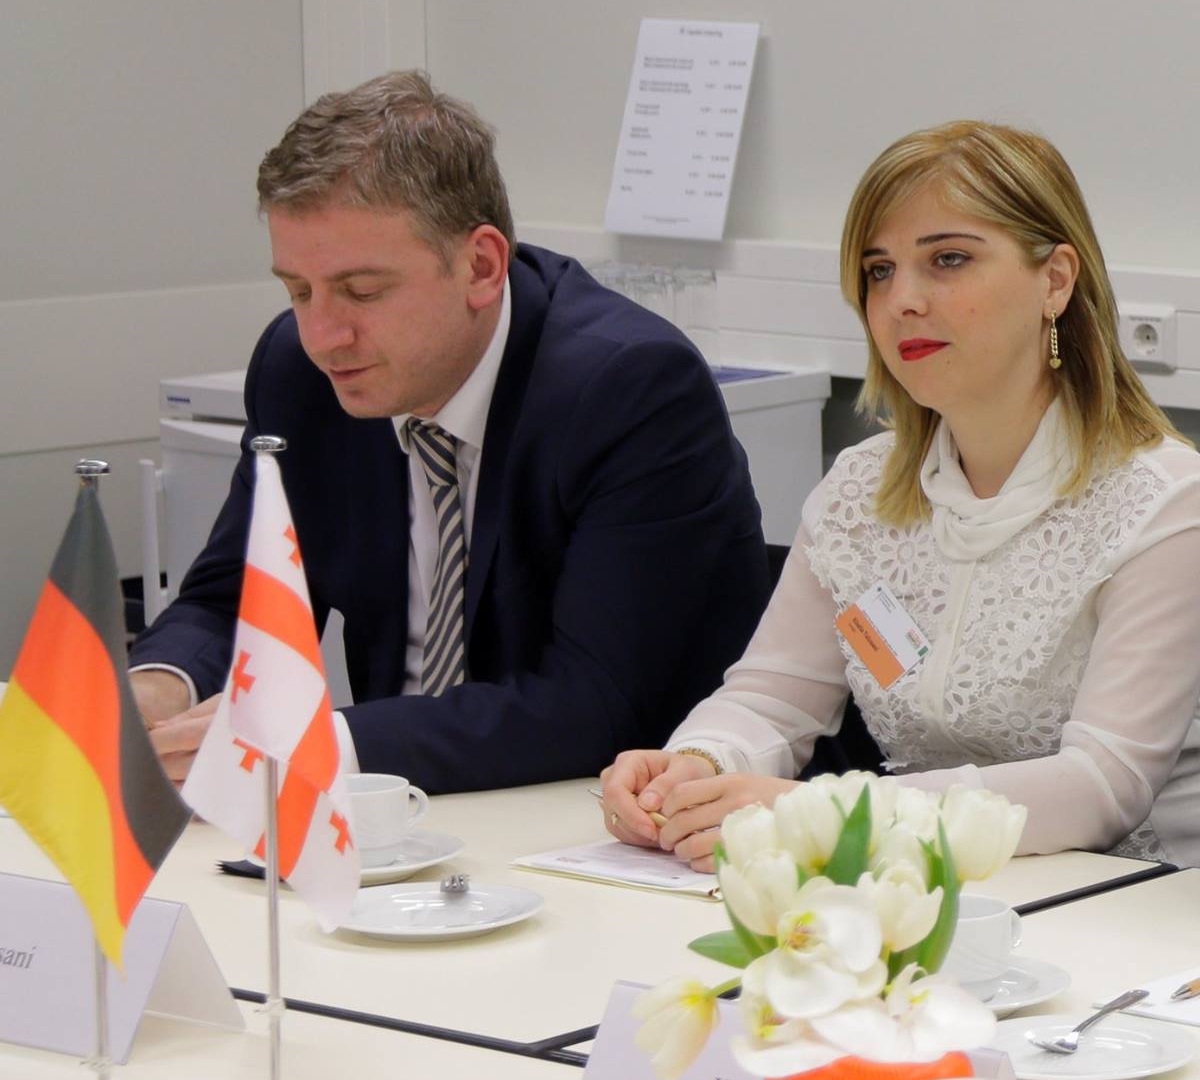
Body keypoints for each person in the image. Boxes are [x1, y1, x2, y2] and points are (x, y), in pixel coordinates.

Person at [601, 120, 1200, 869]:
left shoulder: (1162, 500)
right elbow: (771, 699)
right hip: (937, 884)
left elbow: (1103, 785)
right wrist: (696, 766)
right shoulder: (859, 491)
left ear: (1055, 281)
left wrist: (828, 814)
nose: (901, 300)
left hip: (1146, 896)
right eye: (879, 270)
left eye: (948, 259)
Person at [130, 72, 769, 794]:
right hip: (393, 811)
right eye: (299, 291)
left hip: (604, 812)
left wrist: (319, 740)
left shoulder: (630, 389)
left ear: (481, 266)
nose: (323, 336)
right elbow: (235, 598)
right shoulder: (299, 375)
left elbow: (595, 703)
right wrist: (158, 687)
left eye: (362, 291)